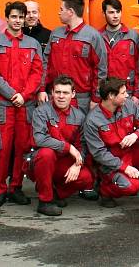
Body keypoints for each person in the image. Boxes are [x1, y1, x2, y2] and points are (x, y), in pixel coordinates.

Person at [0, 1, 44, 207]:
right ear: (7, 18)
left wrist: (25, 95)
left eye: (21, 17)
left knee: (22, 147)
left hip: (25, 106)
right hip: (3, 106)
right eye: (14, 17)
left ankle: (15, 187)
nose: (18, 21)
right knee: (2, 148)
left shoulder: (33, 44)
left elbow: (38, 73)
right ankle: (0, 188)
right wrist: (13, 95)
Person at [83, 77, 139, 211]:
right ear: (111, 96)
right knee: (131, 187)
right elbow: (99, 153)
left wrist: (135, 135)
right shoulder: (92, 120)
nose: (127, 95)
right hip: (111, 161)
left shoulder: (129, 105)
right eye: (123, 93)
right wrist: (124, 167)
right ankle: (105, 191)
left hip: (131, 151)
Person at [30, 75, 94, 216]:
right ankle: (45, 201)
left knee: (86, 178)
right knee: (46, 153)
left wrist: (78, 164)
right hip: (39, 161)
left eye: (65, 93)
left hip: (62, 162)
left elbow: (82, 146)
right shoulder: (41, 112)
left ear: (73, 94)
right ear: (51, 93)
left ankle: (55, 192)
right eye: (57, 92)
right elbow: (39, 139)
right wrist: (68, 147)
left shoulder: (79, 116)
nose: (61, 96)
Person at [44, 0, 108, 113]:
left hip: (81, 100)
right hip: (55, 97)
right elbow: (45, 63)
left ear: (71, 12)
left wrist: (96, 98)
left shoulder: (93, 36)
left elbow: (100, 70)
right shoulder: (56, 33)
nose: (59, 12)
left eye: (61, 9)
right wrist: (42, 89)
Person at [100, 0, 139, 106]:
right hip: (105, 93)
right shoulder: (97, 37)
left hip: (127, 93)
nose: (115, 16)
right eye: (111, 12)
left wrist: (137, 95)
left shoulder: (133, 37)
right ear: (104, 14)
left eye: (118, 12)